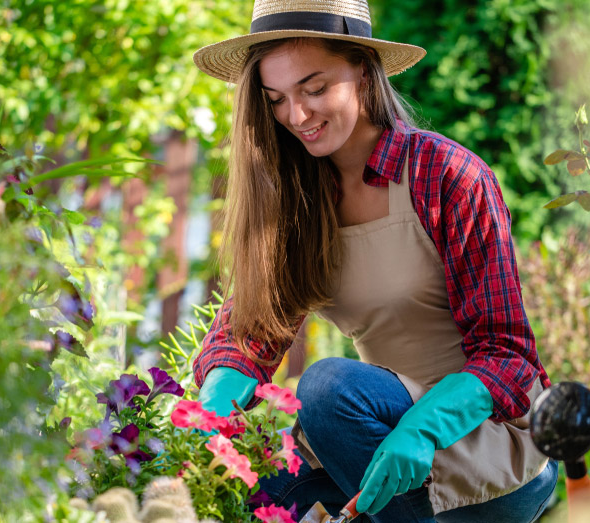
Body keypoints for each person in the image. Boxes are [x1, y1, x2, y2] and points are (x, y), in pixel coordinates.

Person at [190, 1, 557, 521]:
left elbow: (509, 356)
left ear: (363, 69)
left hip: (495, 445)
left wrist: (424, 426)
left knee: (324, 389)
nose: (297, 116)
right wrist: (212, 407)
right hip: (377, 437)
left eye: (314, 89)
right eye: (277, 100)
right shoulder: (295, 198)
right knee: (253, 474)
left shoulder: (446, 176)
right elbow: (251, 330)